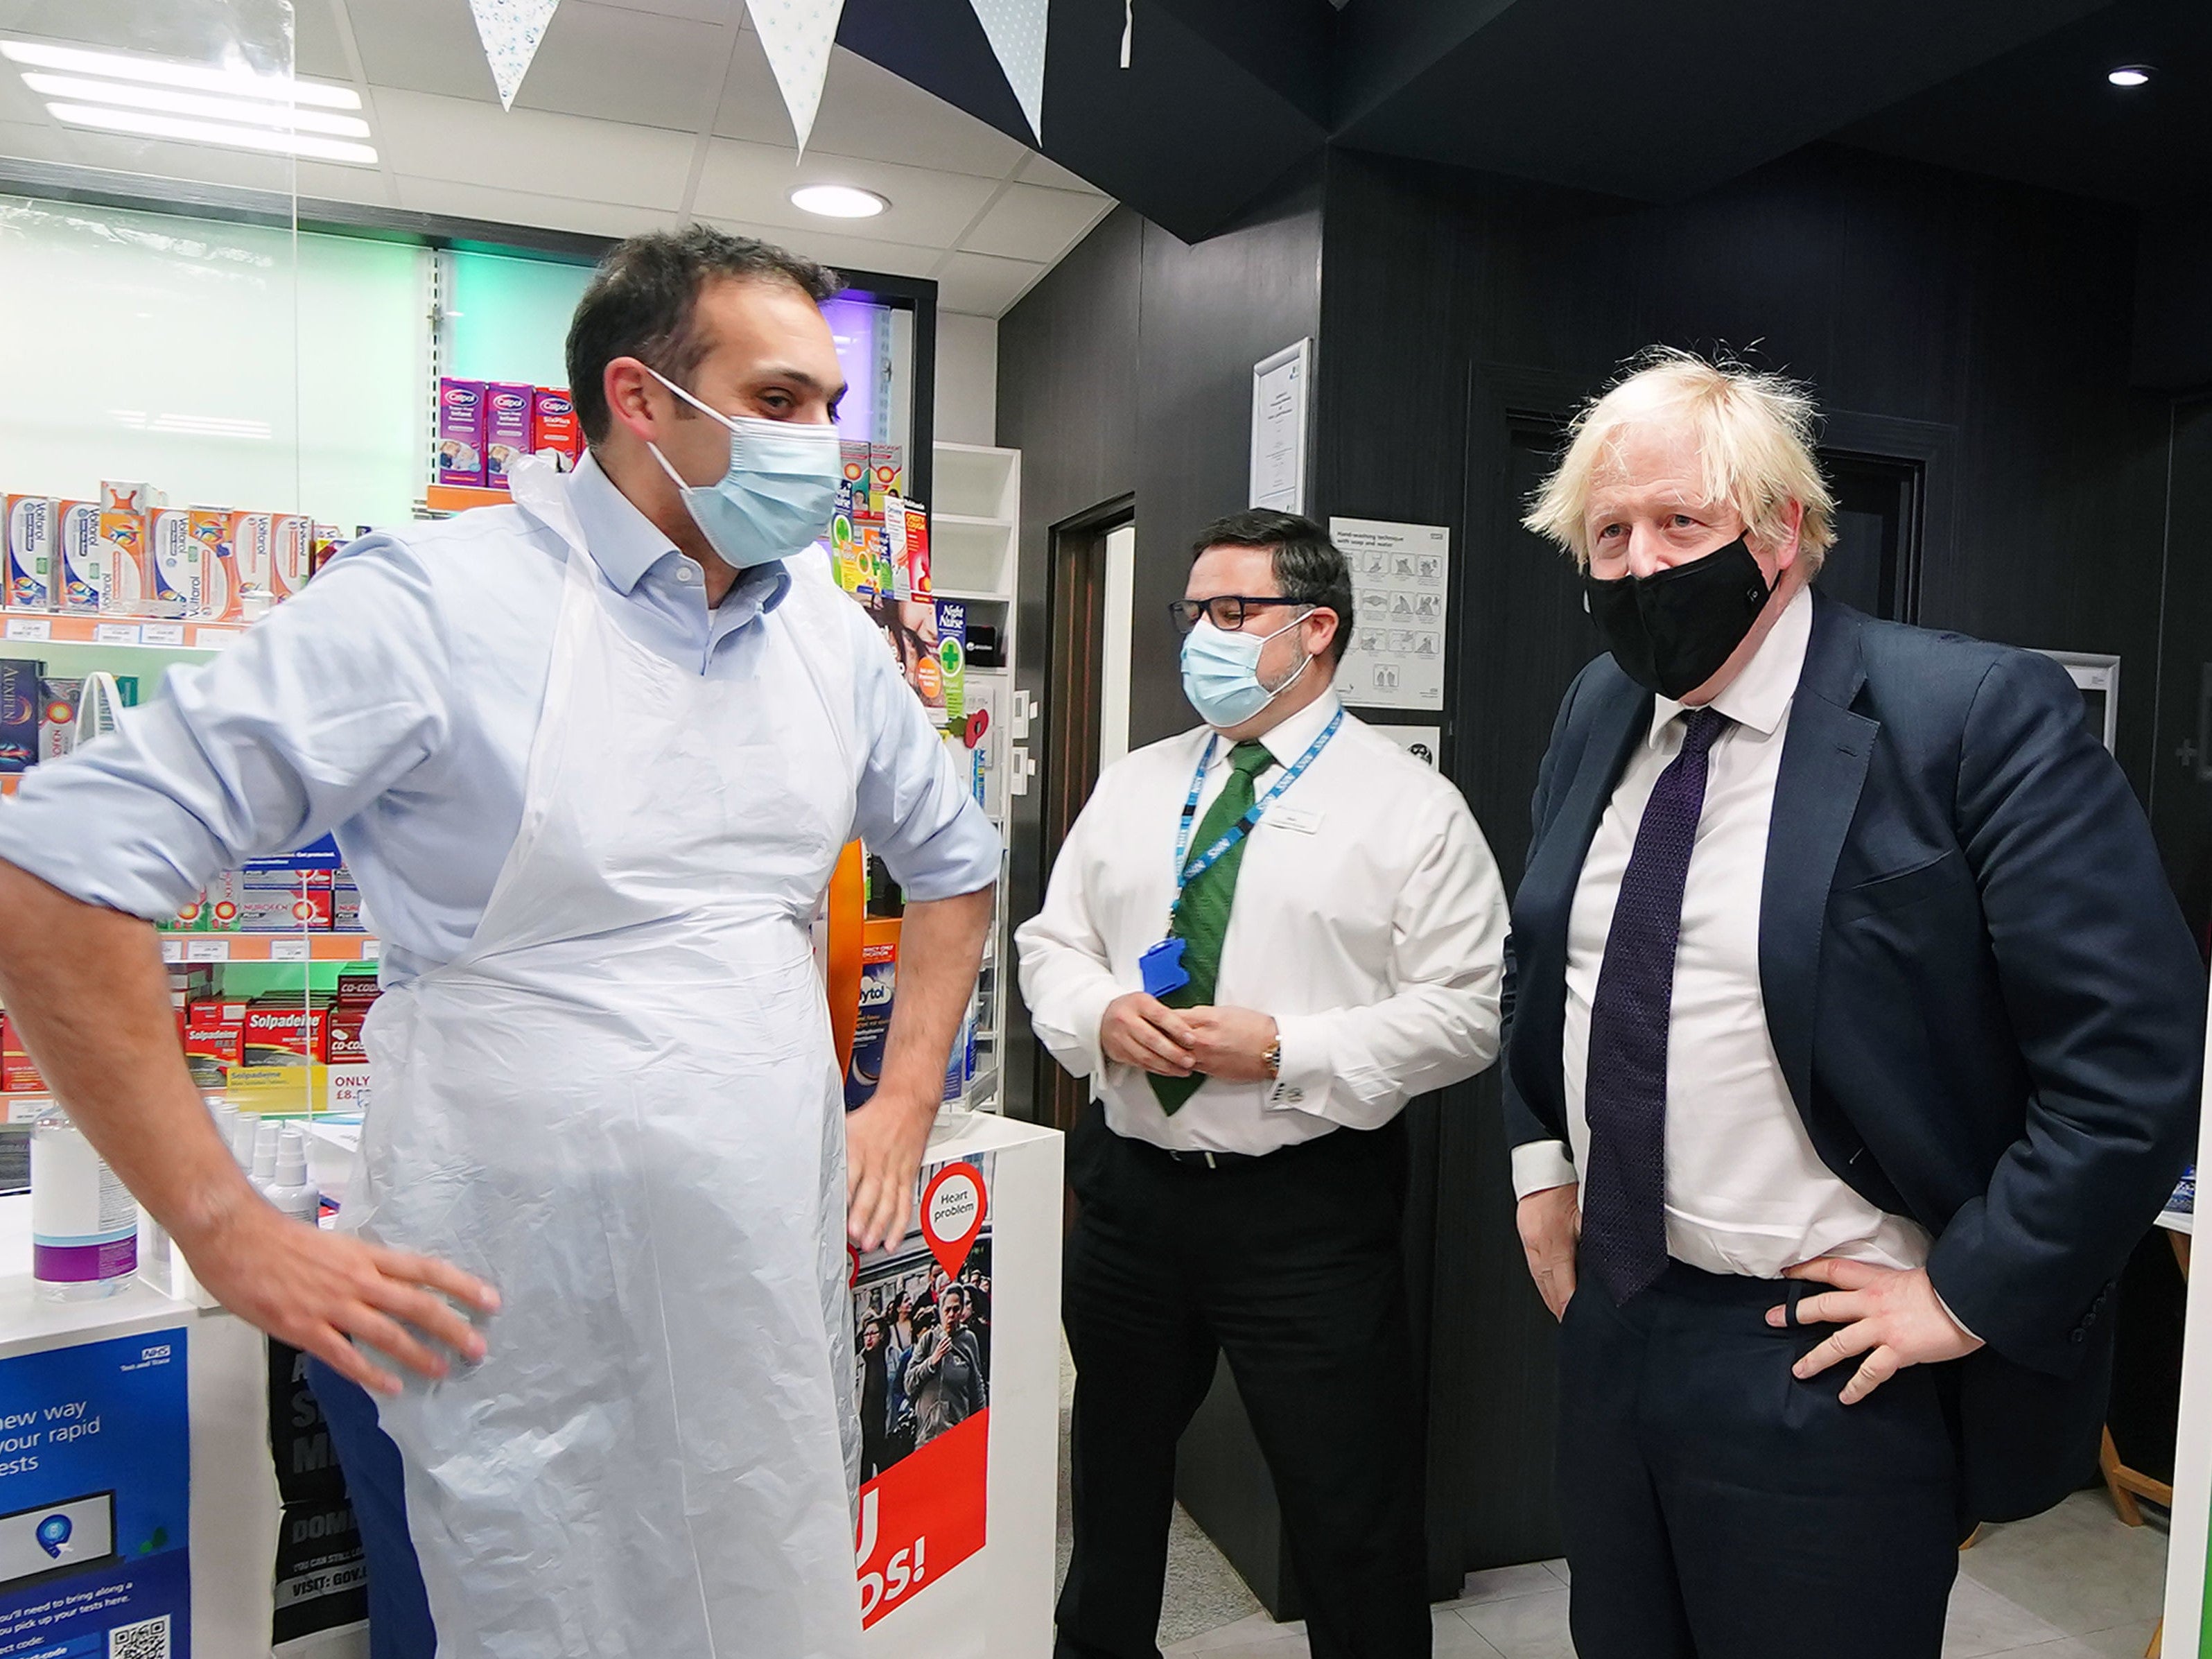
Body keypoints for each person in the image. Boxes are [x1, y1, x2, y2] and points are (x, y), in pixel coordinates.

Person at [0, 226, 1000, 1658]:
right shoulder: (433, 605)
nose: (824, 444)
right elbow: (56, 870)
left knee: (765, 1593)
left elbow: (953, 862)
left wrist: (901, 1096)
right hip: (515, 1296)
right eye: (780, 402)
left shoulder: (826, 643)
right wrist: (222, 1225)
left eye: (833, 406)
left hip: (757, 1292)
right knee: (531, 1605)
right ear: (640, 399)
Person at [1504, 348, 2204, 1659]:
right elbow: (1545, 957)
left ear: (1785, 534)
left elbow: (2133, 1057)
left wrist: (1966, 1294)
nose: (1642, 564)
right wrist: (1538, 1155)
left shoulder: (1972, 713)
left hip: (1825, 1358)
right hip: (1618, 1331)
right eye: (1609, 532)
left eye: (1681, 522)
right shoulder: (1601, 705)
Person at [1018, 509, 1509, 1659]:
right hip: (1132, 1192)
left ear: (1315, 628)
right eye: (1196, 611)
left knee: (1350, 1508)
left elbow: (1467, 1012)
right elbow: (1054, 942)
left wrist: (1286, 1047)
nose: (1204, 634)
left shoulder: (1410, 807)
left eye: (1233, 612)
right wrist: (1099, 1012)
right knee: (1115, 1482)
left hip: (1306, 1211)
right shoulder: (1137, 783)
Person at [905, 1283, 989, 1446]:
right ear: (941, 1310)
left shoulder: (968, 1340)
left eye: (956, 1309)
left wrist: (979, 1428)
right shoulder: (928, 1340)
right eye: (948, 1310)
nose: (951, 1315)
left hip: (957, 1433)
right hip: (927, 1435)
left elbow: (976, 1386)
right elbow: (908, 1383)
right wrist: (932, 1361)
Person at [857, 1315, 894, 1483]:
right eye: (866, 1334)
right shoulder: (859, 1361)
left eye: (873, 1333)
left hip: (884, 1426)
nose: (869, 1338)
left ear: (882, 1335)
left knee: (887, 1474)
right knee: (863, 1475)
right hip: (864, 1427)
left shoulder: (892, 1357)